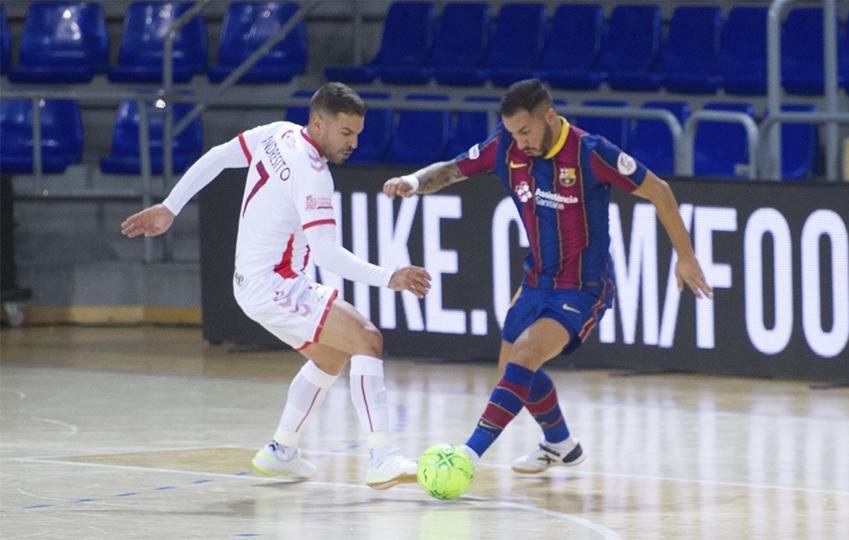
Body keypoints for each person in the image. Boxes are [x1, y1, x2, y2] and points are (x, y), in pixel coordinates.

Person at [383, 79, 712, 474]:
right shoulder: (506, 147)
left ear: (550, 118)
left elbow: (659, 190)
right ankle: (560, 443)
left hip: (583, 288)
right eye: (512, 133)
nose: (519, 142)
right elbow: (453, 169)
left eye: (525, 131)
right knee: (513, 368)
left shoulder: (591, 152)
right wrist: (414, 182)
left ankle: (465, 458)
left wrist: (686, 256)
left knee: (524, 356)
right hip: (537, 279)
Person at [122, 82, 431, 490]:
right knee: (367, 340)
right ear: (318, 123)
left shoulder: (277, 133)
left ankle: (280, 451)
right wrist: (389, 277)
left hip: (252, 283)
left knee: (331, 358)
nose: (354, 142)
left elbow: (217, 158)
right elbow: (327, 254)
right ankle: (382, 457)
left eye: (358, 133)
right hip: (276, 284)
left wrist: (171, 206)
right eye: (345, 133)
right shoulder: (314, 174)